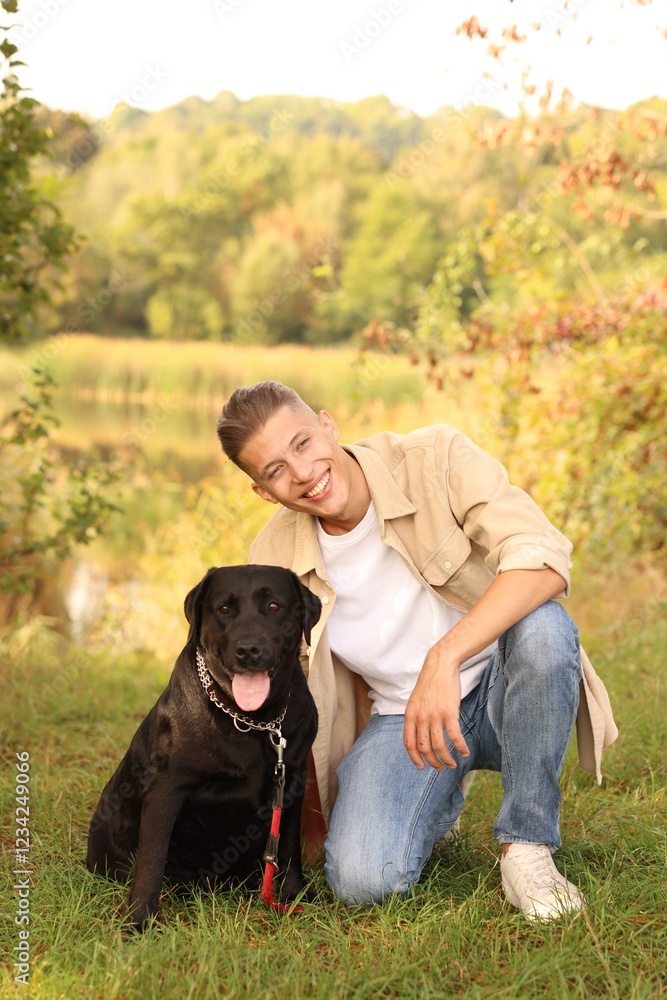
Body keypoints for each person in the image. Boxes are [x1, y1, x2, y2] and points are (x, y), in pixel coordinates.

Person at [216, 381, 617, 921]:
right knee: (361, 881)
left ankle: (526, 847)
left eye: (303, 442)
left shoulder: (434, 458)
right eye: (276, 470)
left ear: (328, 425)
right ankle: (439, 799)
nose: (304, 472)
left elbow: (543, 558)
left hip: (507, 687)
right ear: (263, 491)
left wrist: (444, 657)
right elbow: (288, 694)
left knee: (544, 627)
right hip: (406, 719)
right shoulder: (272, 557)